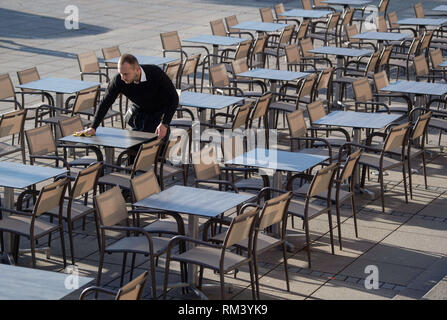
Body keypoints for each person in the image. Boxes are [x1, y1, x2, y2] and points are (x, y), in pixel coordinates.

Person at [76, 53, 178, 140]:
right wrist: (93, 127)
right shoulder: (119, 80)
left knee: (155, 152)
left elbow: (174, 98)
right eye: (121, 73)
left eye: (126, 74)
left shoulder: (155, 73)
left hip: (158, 114)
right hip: (139, 115)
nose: (123, 78)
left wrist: (165, 124)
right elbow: (105, 102)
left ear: (137, 70)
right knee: (133, 152)